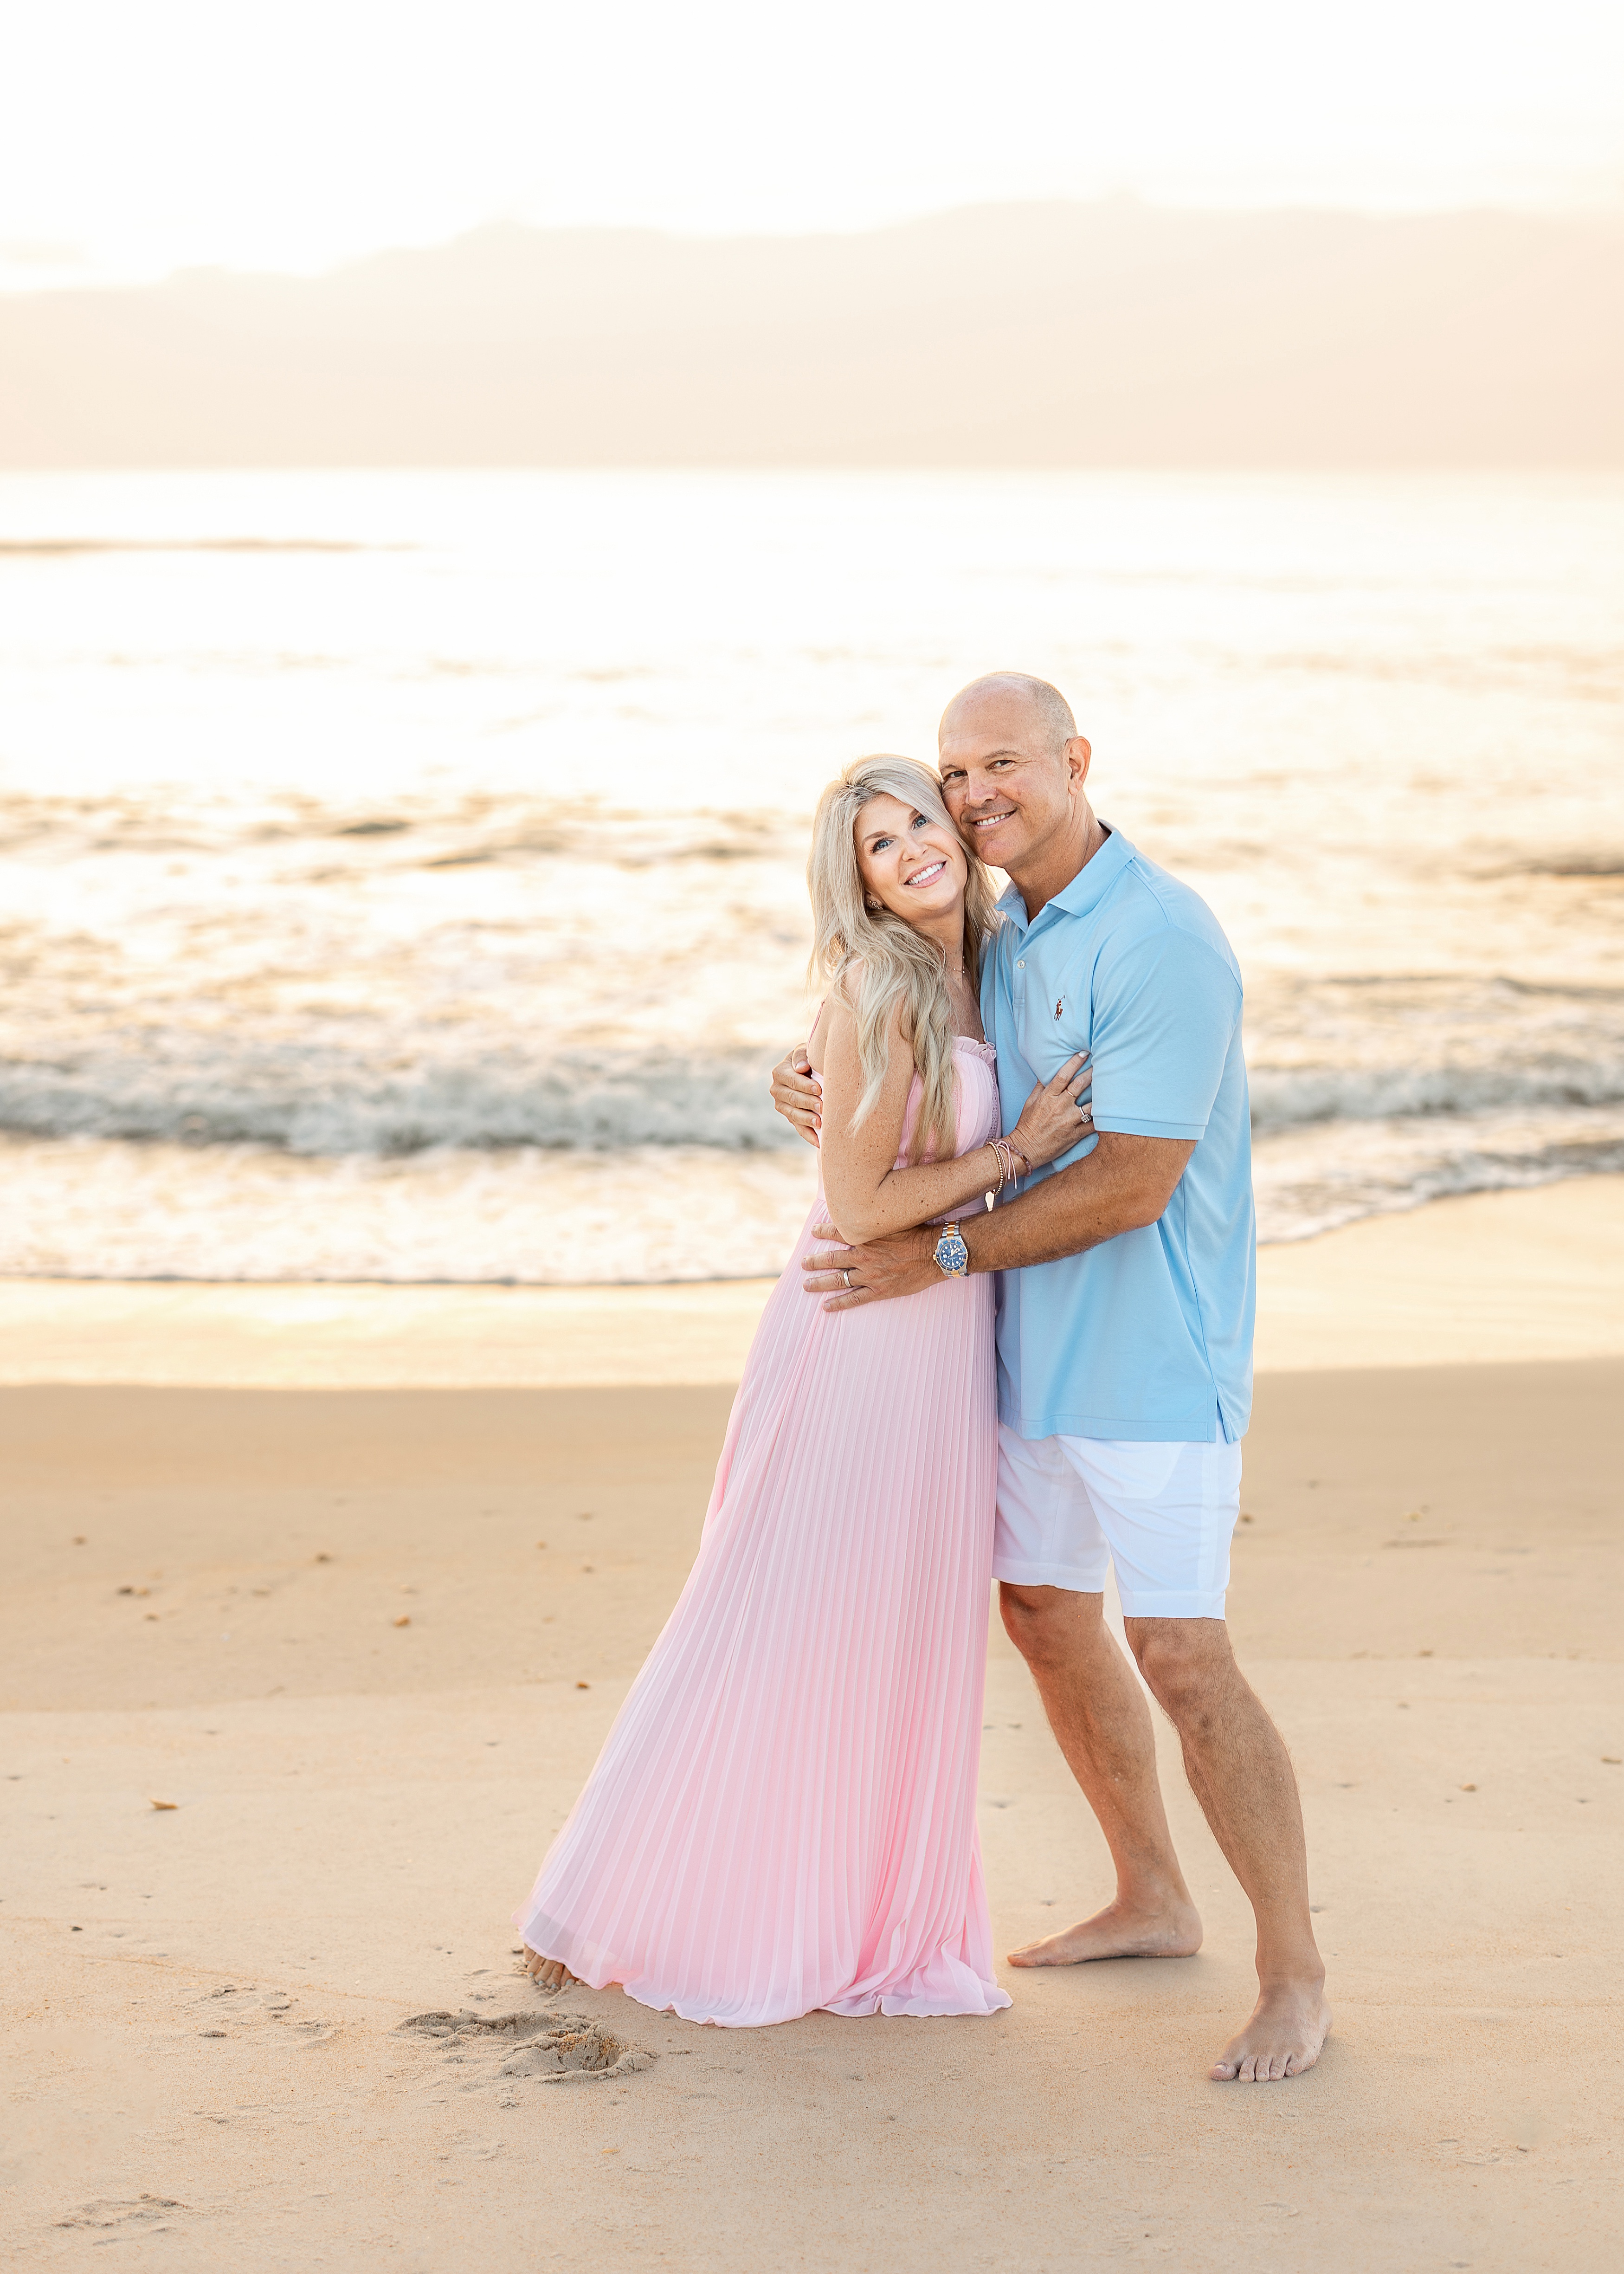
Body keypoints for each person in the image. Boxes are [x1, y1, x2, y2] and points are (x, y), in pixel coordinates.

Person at [771, 674, 1331, 2083]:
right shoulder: (1007, 927)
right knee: (1040, 1612)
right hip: (1027, 1356)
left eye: (1001, 763)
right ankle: (1150, 1891)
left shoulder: (1159, 936)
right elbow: (912, 1052)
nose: (972, 797)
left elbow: (1136, 1184)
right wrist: (819, 1078)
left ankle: (1293, 1975)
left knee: (1185, 1657)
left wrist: (938, 1253)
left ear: (1075, 759)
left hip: (1152, 1360)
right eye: (955, 773)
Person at [515, 753, 1087, 2026]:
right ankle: (603, 1898)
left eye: (919, 825)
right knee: (771, 1609)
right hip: (858, 1330)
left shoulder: (999, 966)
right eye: (879, 847)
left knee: (896, 1632)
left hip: (938, 1333)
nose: (911, 852)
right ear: (864, 886)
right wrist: (1017, 1150)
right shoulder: (881, 990)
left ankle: (860, 1904)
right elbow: (856, 1203)